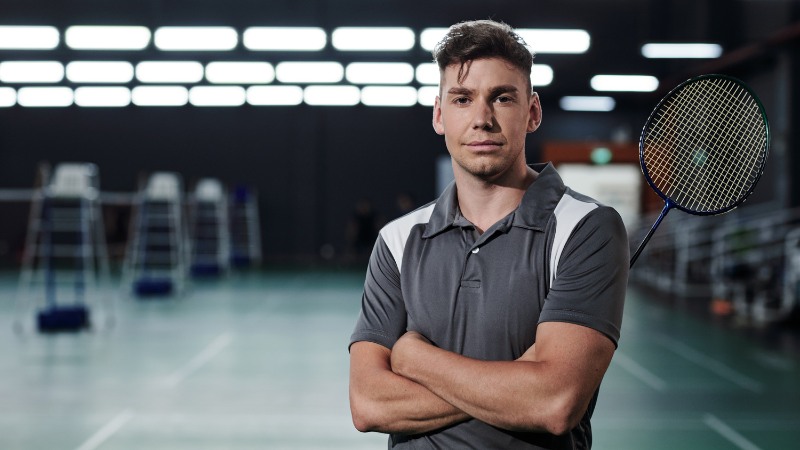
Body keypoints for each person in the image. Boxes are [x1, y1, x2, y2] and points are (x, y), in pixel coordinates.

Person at [348, 19, 629, 449]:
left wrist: (414, 357)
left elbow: (554, 403)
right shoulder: (398, 240)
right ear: (440, 115)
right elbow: (368, 403)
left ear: (531, 112)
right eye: (462, 99)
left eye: (501, 97)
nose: (482, 119)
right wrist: (518, 381)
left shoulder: (585, 228)